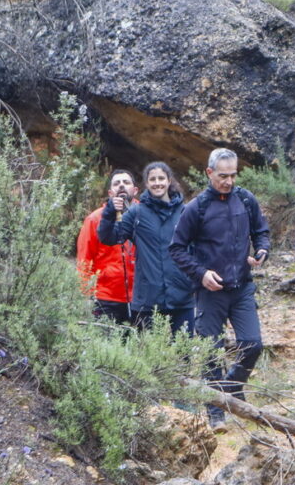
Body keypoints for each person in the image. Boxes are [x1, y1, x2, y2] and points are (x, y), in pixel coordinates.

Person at [169, 148, 271, 432]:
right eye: (223, 176)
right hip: (210, 291)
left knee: (253, 344)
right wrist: (201, 274)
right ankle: (216, 414)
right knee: (211, 351)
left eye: (233, 175)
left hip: (242, 287)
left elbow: (261, 232)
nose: (229, 181)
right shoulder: (197, 207)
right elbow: (177, 248)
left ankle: (232, 387)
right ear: (209, 173)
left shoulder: (246, 200)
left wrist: (262, 251)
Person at [97, 162, 194, 334]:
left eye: (161, 178)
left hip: (182, 297)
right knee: (149, 350)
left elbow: (199, 248)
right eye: (152, 179)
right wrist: (109, 212)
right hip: (148, 300)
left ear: (169, 181)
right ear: (146, 184)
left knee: (183, 349)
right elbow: (109, 237)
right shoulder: (137, 213)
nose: (157, 183)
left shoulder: (185, 212)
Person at [77, 169, 138, 325]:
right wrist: (86, 295)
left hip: (141, 296)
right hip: (105, 297)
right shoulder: (94, 219)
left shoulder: (145, 215)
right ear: (110, 193)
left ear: (135, 190)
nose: (121, 185)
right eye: (117, 183)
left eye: (126, 182)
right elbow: (84, 260)